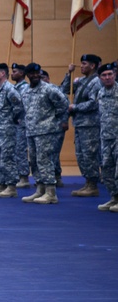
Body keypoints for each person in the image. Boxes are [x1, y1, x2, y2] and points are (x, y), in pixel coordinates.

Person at [20, 63, 69, 204]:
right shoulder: (25, 91)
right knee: (34, 161)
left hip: (46, 131)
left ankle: (51, 192)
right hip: (31, 131)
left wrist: (56, 121)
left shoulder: (49, 89)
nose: (35, 75)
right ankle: (40, 190)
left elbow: (63, 104)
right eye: (32, 73)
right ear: (27, 75)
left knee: (45, 160)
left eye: (37, 73)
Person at [61, 54, 103, 197]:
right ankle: (87, 182)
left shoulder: (96, 82)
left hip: (90, 124)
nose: (81, 66)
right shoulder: (82, 80)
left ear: (93, 66)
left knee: (89, 155)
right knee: (81, 155)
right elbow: (65, 90)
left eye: (84, 64)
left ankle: (93, 185)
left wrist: (75, 107)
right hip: (80, 124)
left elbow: (93, 103)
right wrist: (69, 74)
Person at [0, 63, 25, 198]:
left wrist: (12, 121)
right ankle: (1, 184)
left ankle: (11, 186)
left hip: (6, 130)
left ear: (3, 74)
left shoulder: (10, 89)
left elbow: (18, 107)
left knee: (7, 158)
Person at [96, 62, 118, 212]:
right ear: (100, 78)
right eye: (104, 75)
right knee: (107, 170)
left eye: (110, 74)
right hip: (105, 137)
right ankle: (114, 197)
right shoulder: (100, 93)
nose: (107, 77)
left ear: (115, 75)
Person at [10, 63, 32, 187]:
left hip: (22, 123)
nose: (12, 74)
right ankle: (19, 175)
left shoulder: (24, 88)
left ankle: (24, 177)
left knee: (20, 150)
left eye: (15, 71)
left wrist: (15, 116)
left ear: (22, 73)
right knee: (16, 150)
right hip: (15, 124)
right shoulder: (15, 87)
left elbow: (21, 106)